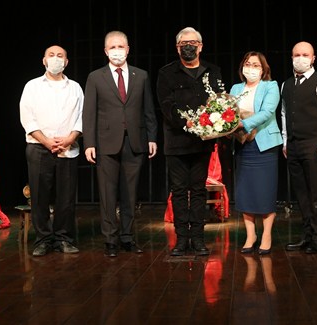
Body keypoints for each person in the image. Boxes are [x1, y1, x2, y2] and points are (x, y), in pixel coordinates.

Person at [83, 31, 158, 257]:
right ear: (106, 51)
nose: (117, 50)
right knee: (107, 193)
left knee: (130, 194)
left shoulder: (141, 75)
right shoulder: (95, 77)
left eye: (121, 46)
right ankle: (110, 240)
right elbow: (89, 113)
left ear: (128, 49)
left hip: (134, 141)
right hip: (105, 143)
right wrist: (89, 142)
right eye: (113, 47)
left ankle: (127, 237)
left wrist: (152, 137)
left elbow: (148, 110)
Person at [156, 26, 222, 256]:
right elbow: (166, 105)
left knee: (198, 190)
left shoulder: (212, 72)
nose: (188, 46)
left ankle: (198, 238)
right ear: (177, 47)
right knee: (180, 191)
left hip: (203, 142)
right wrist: (187, 122)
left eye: (193, 42)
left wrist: (209, 124)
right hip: (176, 142)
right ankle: (182, 239)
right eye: (184, 43)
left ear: (201, 46)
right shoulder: (166, 73)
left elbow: (218, 104)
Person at [19, 45, 84, 257]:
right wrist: (46, 141)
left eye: (60, 56)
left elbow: (81, 116)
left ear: (66, 62)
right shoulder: (32, 86)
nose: (56, 59)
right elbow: (27, 117)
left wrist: (70, 138)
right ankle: (43, 240)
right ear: (44, 60)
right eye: (51, 55)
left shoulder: (75, 87)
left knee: (66, 197)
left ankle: (64, 238)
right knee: (39, 196)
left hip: (68, 148)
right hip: (39, 148)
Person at [281, 41, 317, 254]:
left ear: (313, 58)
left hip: (315, 143)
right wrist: (286, 141)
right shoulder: (286, 84)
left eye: (305, 54)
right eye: (296, 54)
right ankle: (307, 235)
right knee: (302, 194)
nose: (300, 58)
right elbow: (285, 114)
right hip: (294, 145)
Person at [229, 51, 283, 255]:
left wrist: (243, 123)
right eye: (248, 64)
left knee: (265, 191)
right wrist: (226, 127)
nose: (250, 68)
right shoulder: (236, 88)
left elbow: (268, 112)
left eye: (256, 65)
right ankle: (250, 235)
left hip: (264, 144)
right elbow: (228, 112)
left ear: (263, 69)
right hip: (243, 145)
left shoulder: (271, 86)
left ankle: (267, 235)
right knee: (246, 191)